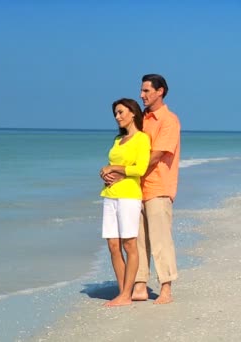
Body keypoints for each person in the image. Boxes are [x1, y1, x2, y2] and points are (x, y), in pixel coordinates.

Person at [104, 74, 181, 304]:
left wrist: (119, 170)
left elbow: (155, 155)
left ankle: (166, 288)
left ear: (160, 91)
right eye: (141, 90)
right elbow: (130, 146)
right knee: (136, 239)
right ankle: (139, 285)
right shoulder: (141, 119)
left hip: (158, 186)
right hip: (135, 189)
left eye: (146, 91)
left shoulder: (169, 120)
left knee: (160, 239)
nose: (142, 95)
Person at [99, 98, 151, 307]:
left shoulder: (142, 139)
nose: (117, 116)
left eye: (121, 112)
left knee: (129, 244)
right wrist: (104, 172)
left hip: (129, 195)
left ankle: (126, 294)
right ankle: (123, 292)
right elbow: (111, 165)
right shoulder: (117, 140)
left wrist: (114, 169)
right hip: (110, 194)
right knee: (112, 245)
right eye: (115, 114)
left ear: (132, 113)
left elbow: (140, 169)